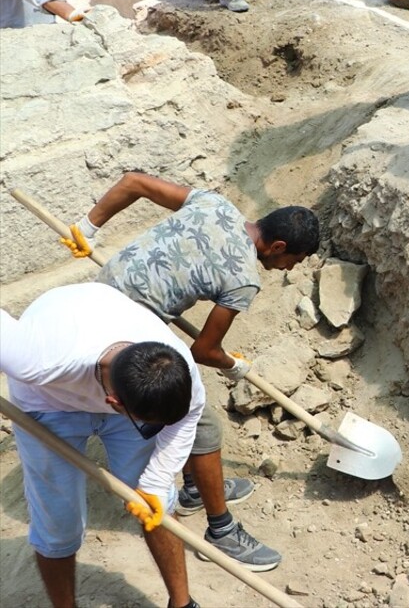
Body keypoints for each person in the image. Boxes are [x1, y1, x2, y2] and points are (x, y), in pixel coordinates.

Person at [60, 172, 322, 572]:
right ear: (279, 246)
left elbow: (134, 182)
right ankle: (221, 530)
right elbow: (204, 350)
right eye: (292, 260)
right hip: (121, 333)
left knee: (182, 409)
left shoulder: (215, 204)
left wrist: (89, 227)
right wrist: (234, 365)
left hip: (99, 296)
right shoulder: (244, 279)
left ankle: (197, 486)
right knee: (198, 419)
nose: (287, 268)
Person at [1, 282, 205, 608]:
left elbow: (185, 420)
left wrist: (154, 482)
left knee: (158, 504)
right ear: (113, 403)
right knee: (58, 524)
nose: (155, 430)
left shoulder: (177, 369)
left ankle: (182, 604)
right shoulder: (35, 358)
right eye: (149, 425)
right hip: (46, 404)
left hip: (110, 359)